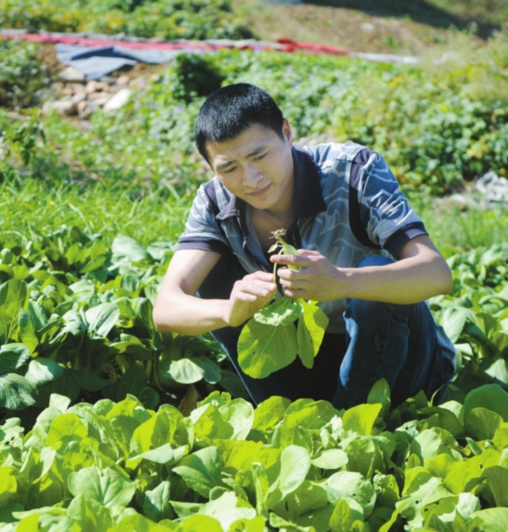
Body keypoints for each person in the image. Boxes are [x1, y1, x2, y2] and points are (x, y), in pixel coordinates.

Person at [152, 83, 456, 409]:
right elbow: (167, 307)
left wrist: (343, 281)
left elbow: (437, 273)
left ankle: (353, 421)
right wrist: (229, 310)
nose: (251, 179)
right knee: (214, 276)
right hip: (308, 361)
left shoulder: (354, 170)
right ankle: (293, 412)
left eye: (259, 155)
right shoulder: (214, 201)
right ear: (212, 167)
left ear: (286, 132)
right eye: (229, 168)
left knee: (375, 274)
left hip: (401, 365)